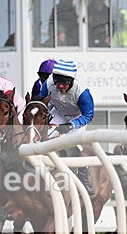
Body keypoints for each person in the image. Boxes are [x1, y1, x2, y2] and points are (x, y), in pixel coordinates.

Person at [37, 58, 96, 195]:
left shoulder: (82, 92)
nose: (60, 86)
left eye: (65, 83)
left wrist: (70, 126)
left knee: (73, 144)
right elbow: (42, 101)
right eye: (57, 82)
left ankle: (83, 179)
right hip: (59, 113)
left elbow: (88, 115)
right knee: (43, 137)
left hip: (77, 117)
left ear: (72, 81)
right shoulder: (48, 83)